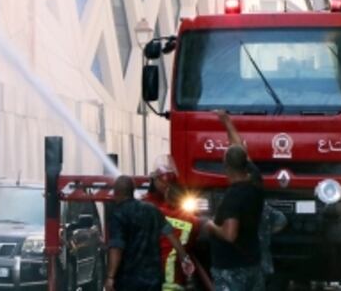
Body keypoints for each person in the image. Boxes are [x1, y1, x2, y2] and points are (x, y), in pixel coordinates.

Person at [199, 111, 266, 290]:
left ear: (226, 167)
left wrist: (210, 225)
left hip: (231, 269)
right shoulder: (255, 180)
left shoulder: (233, 197)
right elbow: (240, 148)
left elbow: (229, 235)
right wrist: (227, 122)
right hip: (252, 263)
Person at [105, 175, 194, 291]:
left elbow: (116, 247)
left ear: (116, 193)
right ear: (132, 191)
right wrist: (184, 258)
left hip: (128, 280)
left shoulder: (118, 215)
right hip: (153, 279)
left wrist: (110, 277)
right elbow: (170, 233)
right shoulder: (152, 209)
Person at [143, 157, 199, 291]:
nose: (165, 184)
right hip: (174, 281)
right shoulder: (191, 219)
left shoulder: (148, 209)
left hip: (148, 278)